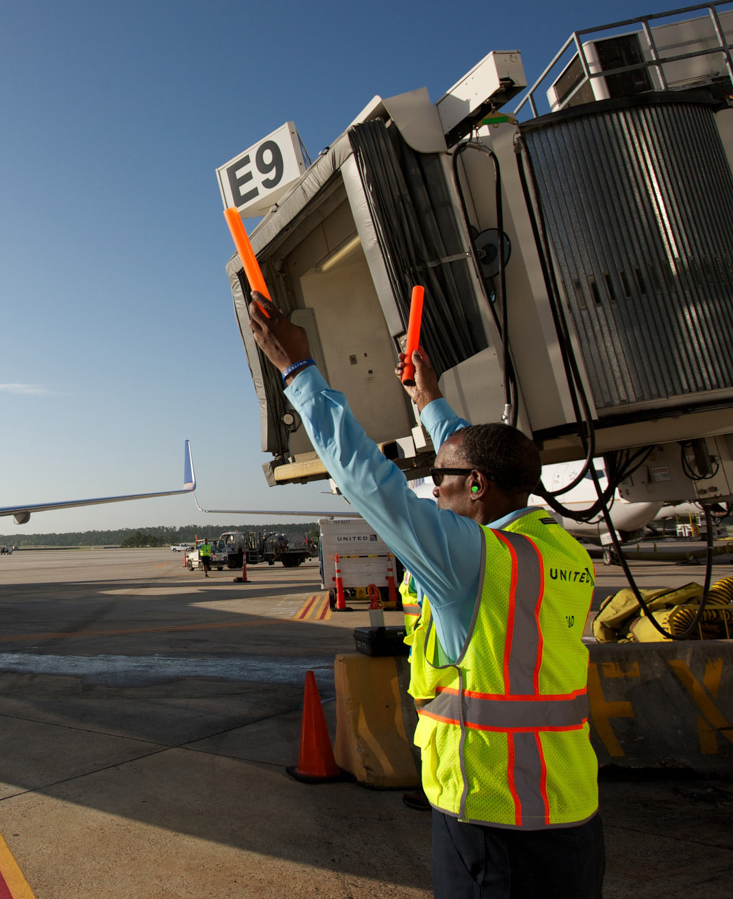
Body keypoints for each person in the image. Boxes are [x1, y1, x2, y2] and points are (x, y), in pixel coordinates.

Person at [248, 291, 604, 899]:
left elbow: (368, 480)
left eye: (439, 478)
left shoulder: (471, 560)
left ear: (477, 487)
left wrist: (298, 372)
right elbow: (480, 453)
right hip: (567, 807)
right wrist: (428, 401)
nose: (431, 487)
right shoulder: (555, 548)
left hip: (493, 815)